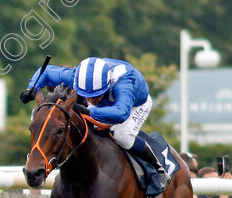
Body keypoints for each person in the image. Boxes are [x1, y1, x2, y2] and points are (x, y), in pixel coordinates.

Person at [20, 57, 169, 189]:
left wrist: (90, 111)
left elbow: (121, 113)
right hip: (109, 99)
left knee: (122, 136)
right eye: (88, 96)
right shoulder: (76, 76)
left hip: (134, 104)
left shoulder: (123, 83)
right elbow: (44, 72)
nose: (92, 100)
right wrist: (31, 88)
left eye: (96, 96)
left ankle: (158, 169)